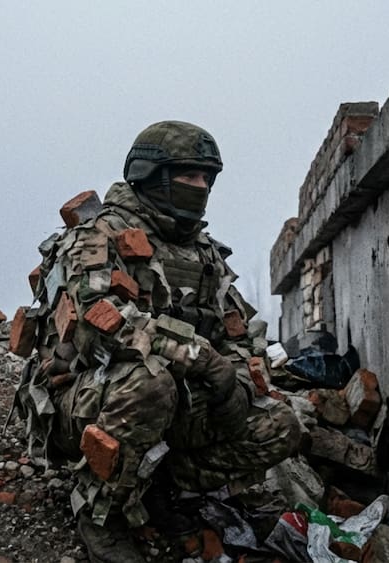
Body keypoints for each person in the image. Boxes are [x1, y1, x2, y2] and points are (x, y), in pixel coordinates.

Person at [16, 121, 302, 562]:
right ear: (153, 175)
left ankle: (159, 488)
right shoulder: (98, 234)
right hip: (88, 400)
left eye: (208, 177)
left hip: (176, 402)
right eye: (191, 175)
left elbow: (238, 333)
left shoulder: (205, 253)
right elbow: (99, 327)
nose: (202, 186)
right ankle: (101, 513)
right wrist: (201, 358)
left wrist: (238, 381)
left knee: (278, 423)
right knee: (149, 382)